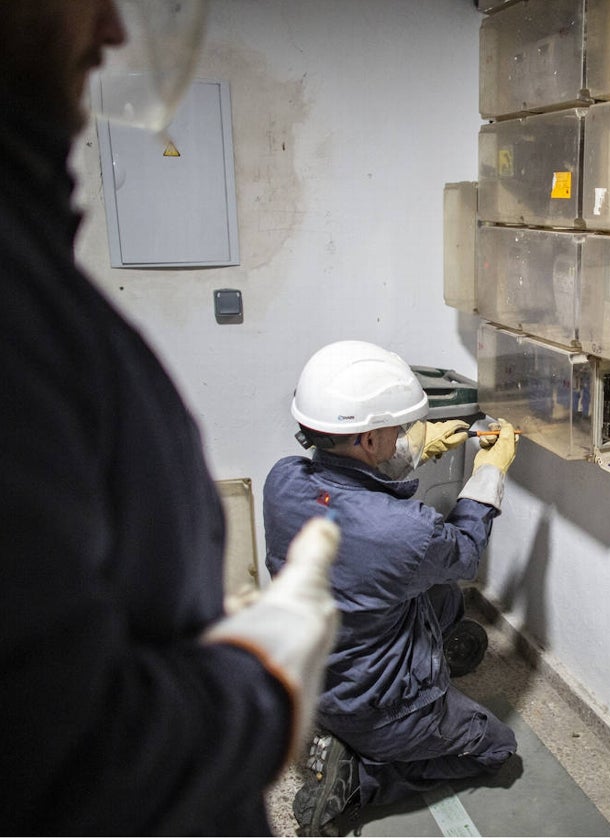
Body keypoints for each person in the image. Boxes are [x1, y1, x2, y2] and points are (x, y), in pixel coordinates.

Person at [0, 1, 344, 834]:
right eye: (81, 4)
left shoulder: (33, 260)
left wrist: (182, 625)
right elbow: (53, 748)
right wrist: (260, 685)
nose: (114, 32)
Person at [264, 340, 520, 836]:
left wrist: (412, 452)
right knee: (496, 748)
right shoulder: (402, 531)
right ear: (369, 440)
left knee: (441, 601)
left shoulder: (283, 481)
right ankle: (362, 777)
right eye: (400, 431)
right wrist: (489, 472)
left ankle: (350, 735)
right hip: (380, 708)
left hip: (313, 674)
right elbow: (463, 551)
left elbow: (349, 501)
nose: (410, 436)